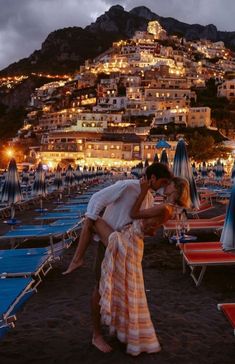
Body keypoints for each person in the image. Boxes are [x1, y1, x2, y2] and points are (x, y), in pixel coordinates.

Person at [63, 163, 173, 352]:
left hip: (128, 246)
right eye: (162, 181)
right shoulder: (128, 186)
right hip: (109, 243)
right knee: (99, 287)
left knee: (121, 290)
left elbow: (138, 221)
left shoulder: (148, 196)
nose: (163, 186)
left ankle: (119, 330)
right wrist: (92, 220)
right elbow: (97, 198)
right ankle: (96, 335)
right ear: (152, 178)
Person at [91, 176, 190, 355]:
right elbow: (151, 229)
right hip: (135, 241)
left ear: (175, 190)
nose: (165, 187)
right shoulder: (169, 208)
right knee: (128, 288)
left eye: (169, 185)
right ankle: (124, 331)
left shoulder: (164, 207)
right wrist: (146, 227)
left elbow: (134, 214)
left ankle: (77, 258)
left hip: (128, 241)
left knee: (92, 218)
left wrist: (143, 190)